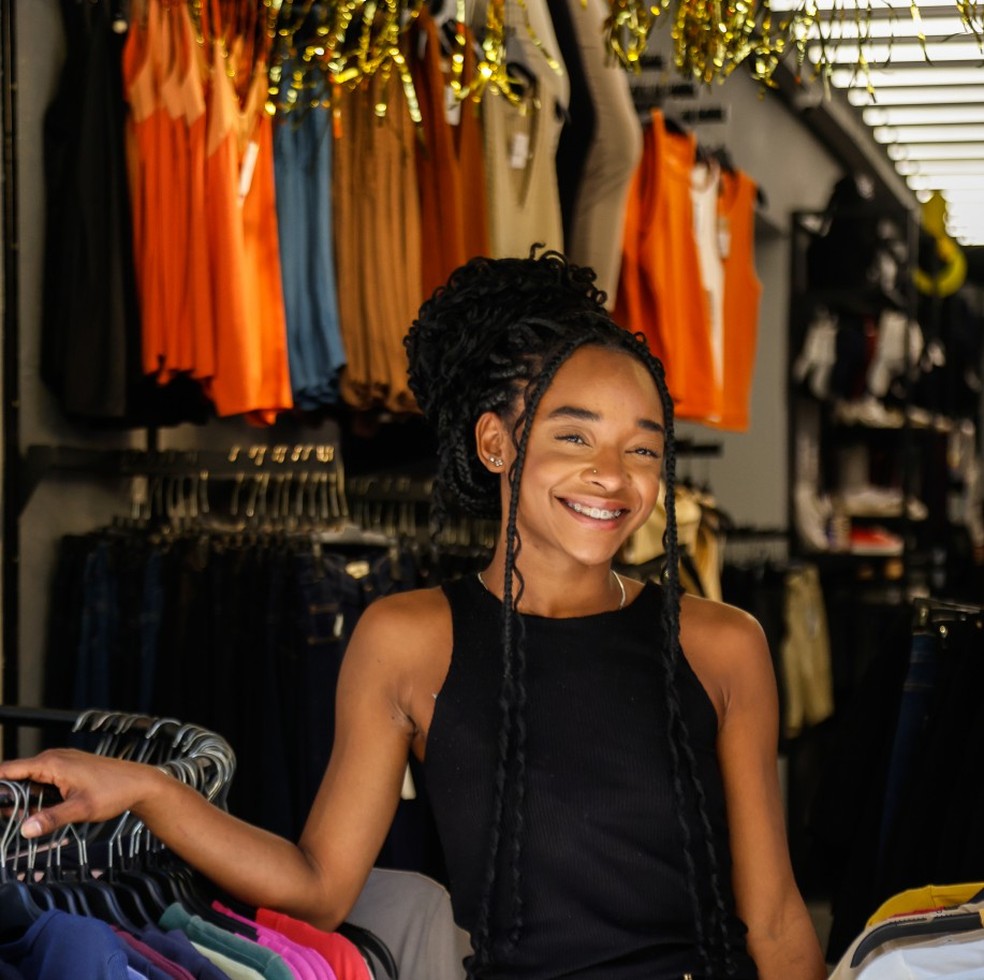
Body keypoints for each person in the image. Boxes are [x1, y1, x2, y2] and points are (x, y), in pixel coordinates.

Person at [0, 252, 826, 979]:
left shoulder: (723, 644)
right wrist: (151, 789)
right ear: (497, 443)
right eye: (576, 438)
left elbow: (780, 921)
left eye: (643, 448)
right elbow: (318, 889)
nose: (614, 476)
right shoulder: (409, 640)